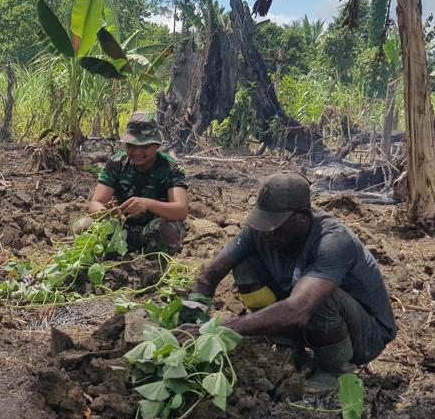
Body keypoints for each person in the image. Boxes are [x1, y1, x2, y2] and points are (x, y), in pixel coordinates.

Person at [190, 172, 397, 391]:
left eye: (275, 225)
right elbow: (209, 276)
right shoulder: (260, 231)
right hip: (308, 319)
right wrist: (191, 318)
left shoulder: (333, 241)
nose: (266, 233)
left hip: (364, 335)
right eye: (263, 221)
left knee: (319, 296)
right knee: (245, 265)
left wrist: (215, 329)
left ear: (303, 217)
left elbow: (298, 309)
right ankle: (288, 346)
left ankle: (334, 369)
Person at [77, 111, 190, 254]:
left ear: (157, 145)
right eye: (131, 145)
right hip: (120, 228)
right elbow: (95, 204)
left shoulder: (171, 167)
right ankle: (113, 254)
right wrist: (108, 213)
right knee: (83, 226)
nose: (137, 152)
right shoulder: (116, 163)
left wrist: (147, 204)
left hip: (151, 230)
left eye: (144, 147)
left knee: (165, 229)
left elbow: (181, 211)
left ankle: (151, 260)